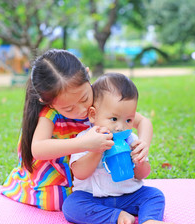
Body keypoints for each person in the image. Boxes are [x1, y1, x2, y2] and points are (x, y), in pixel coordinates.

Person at [1, 49, 153, 211]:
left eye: (84, 99)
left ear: (87, 75)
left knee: (108, 192)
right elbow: (38, 149)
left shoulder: (101, 98)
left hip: (88, 168)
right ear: (48, 103)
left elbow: (143, 121)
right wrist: (84, 144)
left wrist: (143, 142)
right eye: (69, 108)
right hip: (57, 169)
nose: (81, 110)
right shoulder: (50, 115)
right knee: (59, 201)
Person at [62, 73, 167, 224]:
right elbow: (79, 173)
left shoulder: (131, 139)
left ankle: (150, 220)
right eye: (114, 119)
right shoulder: (85, 139)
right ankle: (116, 216)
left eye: (129, 120)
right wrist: (96, 150)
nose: (121, 127)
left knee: (154, 195)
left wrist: (139, 161)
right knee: (71, 206)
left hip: (129, 195)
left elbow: (142, 174)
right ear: (93, 114)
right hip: (92, 197)